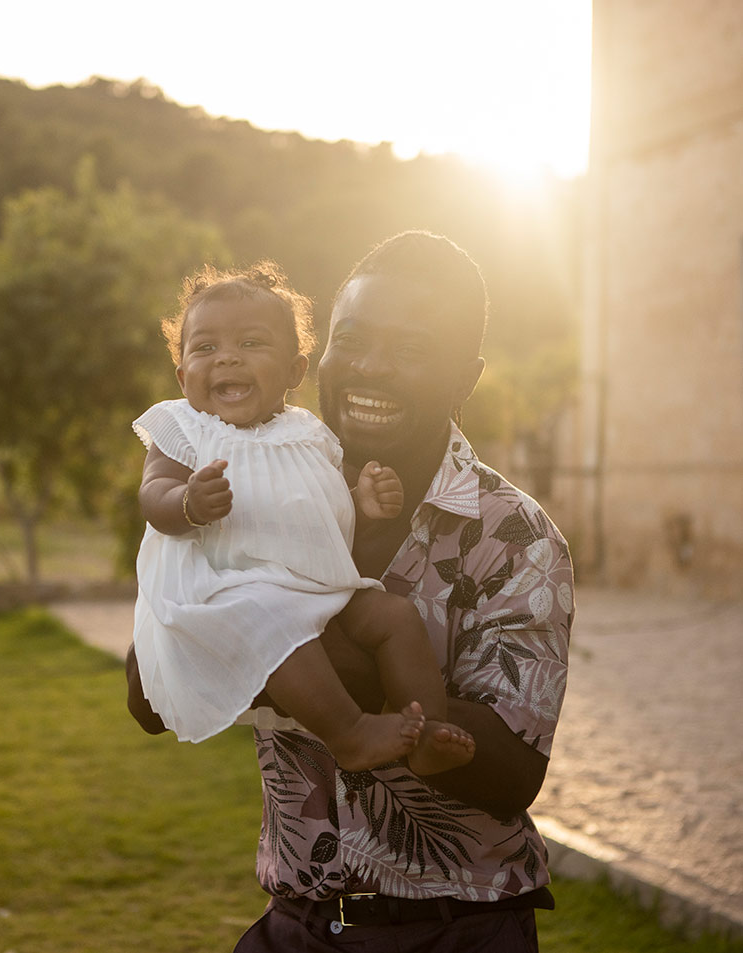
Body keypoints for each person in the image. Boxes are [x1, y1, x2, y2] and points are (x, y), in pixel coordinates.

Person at [126, 232, 574, 952]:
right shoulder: (244, 476)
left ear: (465, 375)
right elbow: (146, 695)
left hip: (457, 931)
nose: (370, 367)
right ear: (323, 354)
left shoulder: (513, 535)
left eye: (410, 348)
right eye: (352, 339)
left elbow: (509, 768)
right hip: (296, 923)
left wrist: (276, 648)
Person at [130, 261, 475, 775]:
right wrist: (185, 502)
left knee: (393, 616)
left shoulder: (308, 434)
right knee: (273, 624)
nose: (226, 358)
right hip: (230, 591)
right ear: (183, 377)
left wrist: (365, 497)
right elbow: (152, 492)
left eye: (250, 344)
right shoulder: (185, 429)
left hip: (320, 587)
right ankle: (350, 733)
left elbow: (322, 495)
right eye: (205, 348)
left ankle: (426, 728)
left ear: (294, 371)